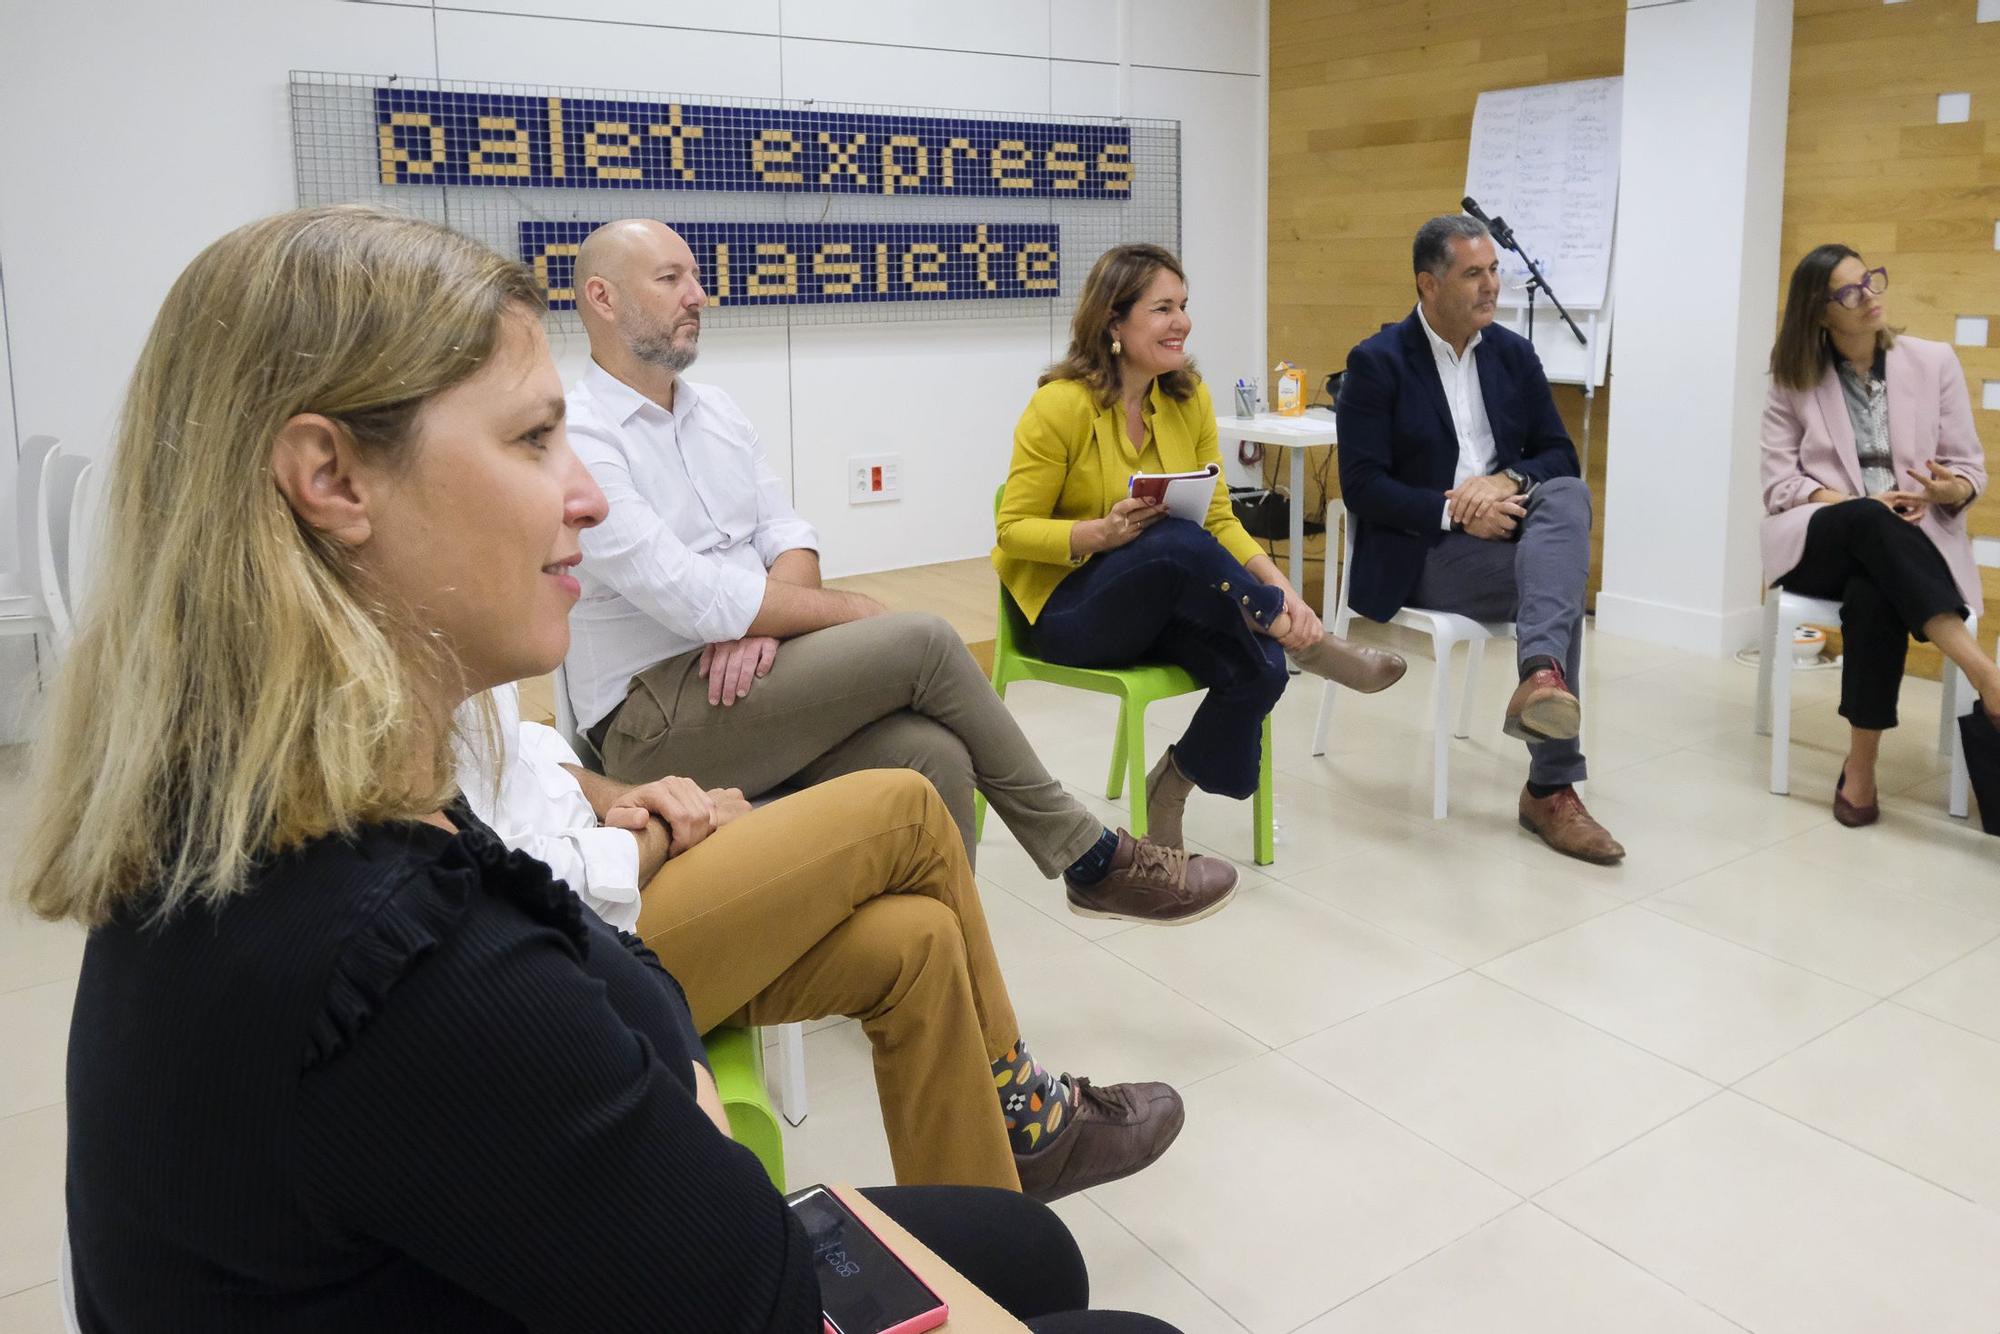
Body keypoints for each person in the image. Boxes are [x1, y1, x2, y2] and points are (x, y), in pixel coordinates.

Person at [17, 205, 1182, 1332]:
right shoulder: (419, 972)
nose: (578, 488)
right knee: (915, 718)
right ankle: (1072, 898)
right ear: (331, 477)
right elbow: (740, 1271)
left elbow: (753, 564)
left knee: (950, 977)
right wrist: (668, 1002)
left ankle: (1009, 1135)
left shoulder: (288, 809)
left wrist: (737, 662)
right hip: (666, 728)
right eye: (532, 441)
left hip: (706, 728)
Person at [564, 218, 1235, 925]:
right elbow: (688, 593)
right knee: (924, 639)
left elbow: (788, 533)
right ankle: (1090, 857)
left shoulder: (716, 413)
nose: (697, 294)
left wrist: (762, 620)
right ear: (602, 300)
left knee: (933, 753)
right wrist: (829, 611)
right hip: (650, 723)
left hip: (750, 682)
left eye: (695, 276)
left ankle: (948, 997)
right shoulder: (581, 435)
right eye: (670, 279)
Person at [459, 682, 1186, 1199]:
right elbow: (500, 890)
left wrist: (631, 800)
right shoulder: (378, 683)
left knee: (919, 940)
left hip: (616, 869)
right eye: (531, 452)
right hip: (575, 955)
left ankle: (981, 1243)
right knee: (908, 805)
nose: (571, 492)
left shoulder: (439, 623)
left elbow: (526, 763)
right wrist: (657, 835)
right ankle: (1028, 1115)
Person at [994, 244, 1407, 848]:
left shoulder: (1188, 399)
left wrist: (1285, 590)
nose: (1182, 322)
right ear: (1114, 321)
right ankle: (1302, 641)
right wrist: (1100, 533)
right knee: (1172, 538)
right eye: (1163, 308)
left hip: (1159, 601)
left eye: (1184, 306)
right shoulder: (1060, 404)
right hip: (1070, 615)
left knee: (1262, 664)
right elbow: (1012, 529)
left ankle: (1173, 784)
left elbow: (1220, 519)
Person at [1337, 214, 1623, 864]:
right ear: (1429, 284)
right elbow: (1363, 487)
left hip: (1509, 531)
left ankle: (1540, 677)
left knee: (1567, 500)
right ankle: (1551, 789)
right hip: (1425, 554)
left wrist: (1506, 480)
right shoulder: (1377, 362)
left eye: (1494, 270)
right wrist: (1454, 512)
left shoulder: (1512, 354)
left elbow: (1559, 456)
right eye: (1474, 273)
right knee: (1560, 578)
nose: (1491, 285)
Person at [1762, 244, 1998, 826]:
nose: (1870, 297)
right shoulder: (1793, 380)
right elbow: (1779, 486)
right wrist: (1857, 503)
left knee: (1874, 595)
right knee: (1870, 518)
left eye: (1869, 281)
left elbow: (1970, 471)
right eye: (1849, 292)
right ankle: (1986, 672)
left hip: (1912, 546)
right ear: (1820, 314)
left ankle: (1860, 772)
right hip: (1821, 540)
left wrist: (1948, 491)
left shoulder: (1933, 362)